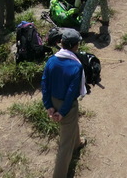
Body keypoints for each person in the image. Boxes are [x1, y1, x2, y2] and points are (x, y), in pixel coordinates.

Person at [41, 29, 87, 178]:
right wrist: (62, 112)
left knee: (72, 125)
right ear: (75, 46)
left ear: (62, 43)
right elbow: (72, 92)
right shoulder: (76, 66)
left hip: (53, 100)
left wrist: (48, 106)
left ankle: (78, 143)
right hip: (67, 106)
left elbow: (44, 83)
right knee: (64, 145)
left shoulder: (51, 60)